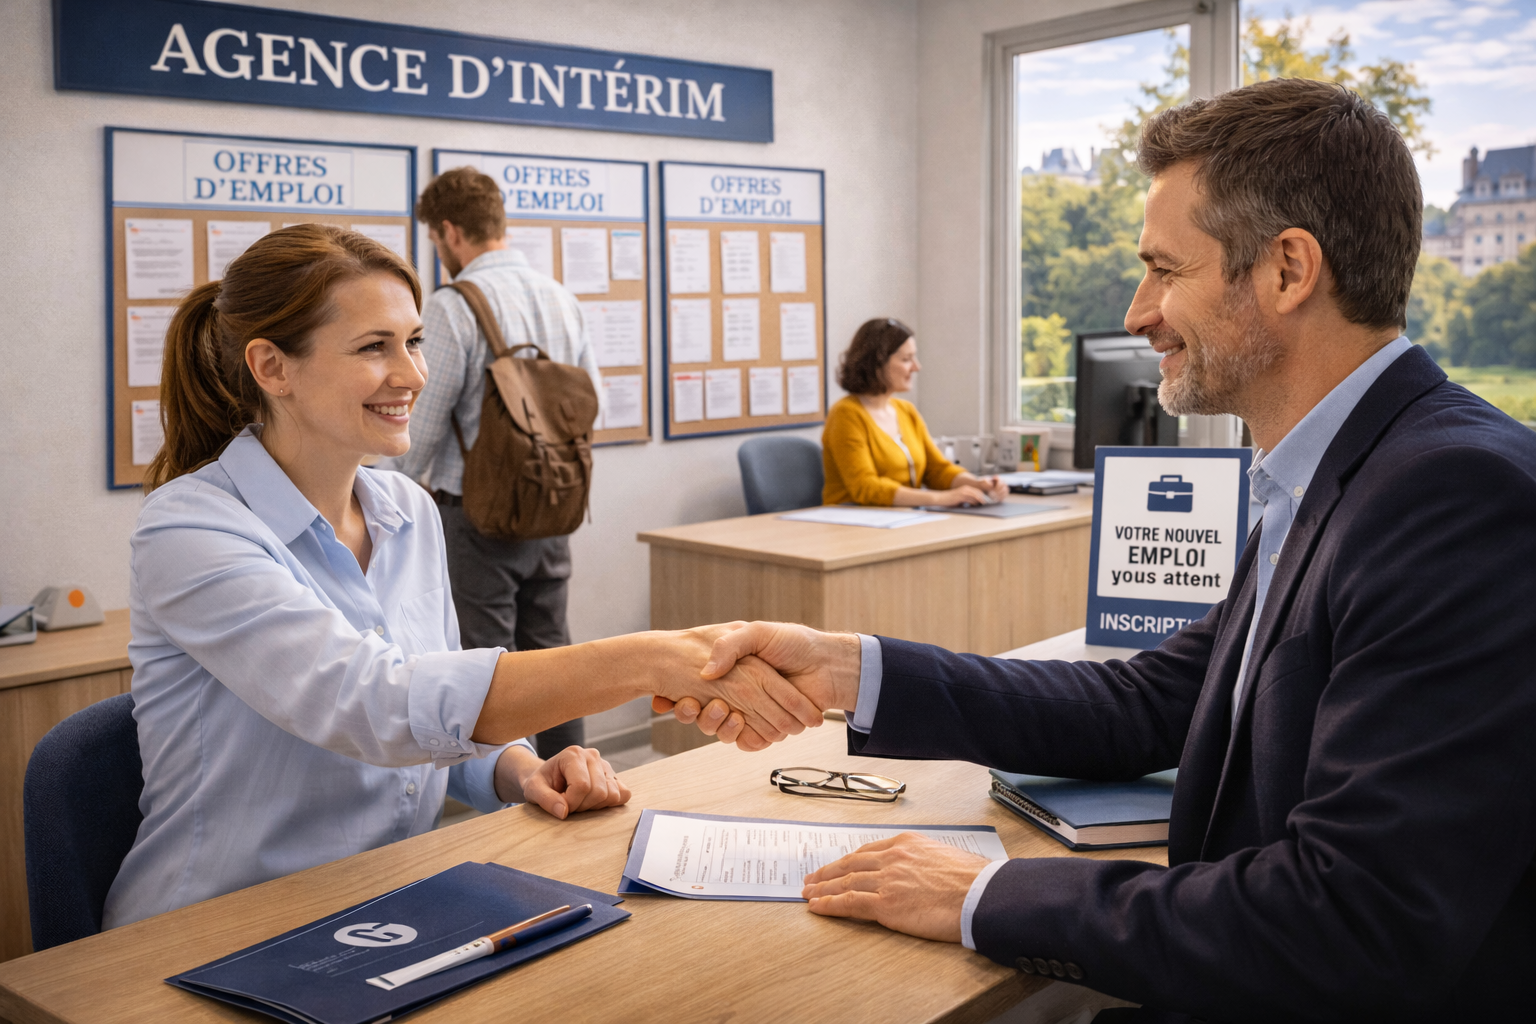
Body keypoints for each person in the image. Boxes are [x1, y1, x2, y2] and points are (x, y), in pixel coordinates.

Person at [664, 79, 1536, 1021]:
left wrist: (981, 895)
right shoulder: (1342, 472)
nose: (1136, 312)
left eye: (1165, 269)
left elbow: (1357, 921)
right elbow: (1151, 701)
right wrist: (850, 671)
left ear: (1288, 270)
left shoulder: (1452, 496)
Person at [107, 224, 817, 929]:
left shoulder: (408, 510)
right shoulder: (191, 529)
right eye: (373, 347)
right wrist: (651, 658)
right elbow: (374, 706)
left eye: (413, 341)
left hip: (383, 902)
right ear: (272, 368)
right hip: (211, 928)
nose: (413, 375)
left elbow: (433, 706)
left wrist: (516, 770)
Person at [386, 166, 602, 758]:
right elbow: (592, 404)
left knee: (490, 671)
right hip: (554, 509)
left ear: (451, 232)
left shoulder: (454, 307)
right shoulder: (561, 297)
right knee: (558, 661)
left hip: (477, 516)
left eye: (436, 240)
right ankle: (579, 789)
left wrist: (372, 503)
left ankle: (517, 813)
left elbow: (420, 428)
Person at [821, 317, 1006, 507]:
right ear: (876, 364)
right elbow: (865, 487)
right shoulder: (845, 415)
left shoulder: (906, 411)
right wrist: (939, 498)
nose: (917, 367)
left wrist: (978, 484)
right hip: (853, 522)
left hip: (903, 518)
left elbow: (937, 470)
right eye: (906, 359)